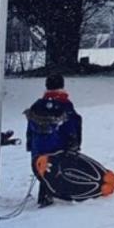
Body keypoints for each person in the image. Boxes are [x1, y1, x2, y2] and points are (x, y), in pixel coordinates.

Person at [24, 73, 82, 207]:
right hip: (57, 147)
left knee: (44, 171)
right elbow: (71, 127)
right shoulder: (65, 105)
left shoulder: (37, 105)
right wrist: (74, 145)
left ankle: (44, 195)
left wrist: (30, 146)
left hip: (38, 149)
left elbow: (30, 129)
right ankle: (56, 194)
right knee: (56, 170)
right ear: (62, 86)